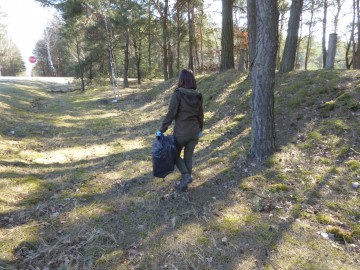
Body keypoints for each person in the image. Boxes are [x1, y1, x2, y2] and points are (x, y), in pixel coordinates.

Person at [157, 69, 204, 192]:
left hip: (181, 132)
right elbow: (201, 115)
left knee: (173, 154)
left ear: (181, 80)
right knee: (188, 157)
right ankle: (185, 184)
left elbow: (171, 114)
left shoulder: (178, 94)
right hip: (194, 132)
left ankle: (186, 176)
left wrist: (161, 130)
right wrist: (200, 129)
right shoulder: (198, 95)